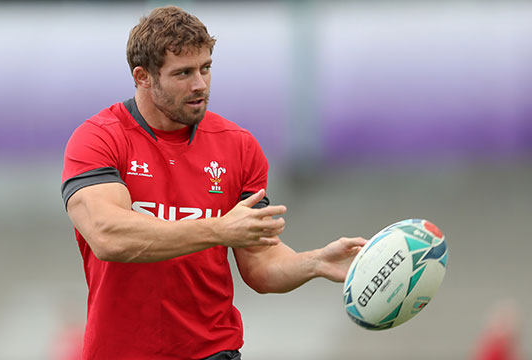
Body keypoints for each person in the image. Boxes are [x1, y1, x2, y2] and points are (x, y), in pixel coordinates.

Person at [61, 6, 366, 360]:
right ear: (143, 76)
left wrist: (314, 263)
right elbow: (109, 235)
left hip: (212, 352)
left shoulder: (239, 146)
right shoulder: (99, 139)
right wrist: (219, 230)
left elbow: (261, 264)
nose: (199, 85)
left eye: (206, 68)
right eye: (183, 73)